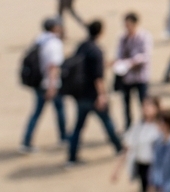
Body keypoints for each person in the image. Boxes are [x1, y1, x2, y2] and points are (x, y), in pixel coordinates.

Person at [66, 19, 124, 166]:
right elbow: (98, 78)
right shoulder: (97, 51)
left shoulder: (82, 46)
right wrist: (102, 95)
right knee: (107, 122)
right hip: (93, 95)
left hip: (80, 93)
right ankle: (119, 148)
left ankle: (72, 157)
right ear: (101, 32)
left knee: (78, 127)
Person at [20, 18, 67, 153]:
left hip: (38, 81)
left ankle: (26, 142)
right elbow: (53, 67)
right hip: (49, 83)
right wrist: (52, 87)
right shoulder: (54, 43)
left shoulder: (39, 39)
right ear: (54, 28)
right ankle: (63, 138)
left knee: (36, 112)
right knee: (59, 110)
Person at [110, 95, 160, 192]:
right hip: (141, 166)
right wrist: (117, 170)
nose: (146, 108)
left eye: (149, 105)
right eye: (144, 105)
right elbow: (127, 147)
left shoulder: (160, 128)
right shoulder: (137, 127)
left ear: (157, 108)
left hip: (155, 166)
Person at [113, 12, 152, 131]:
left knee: (144, 103)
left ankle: (145, 126)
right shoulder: (123, 38)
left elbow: (146, 56)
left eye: (129, 25)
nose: (127, 28)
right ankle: (128, 127)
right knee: (126, 105)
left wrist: (130, 62)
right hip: (127, 77)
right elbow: (119, 54)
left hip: (141, 77)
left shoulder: (144, 36)